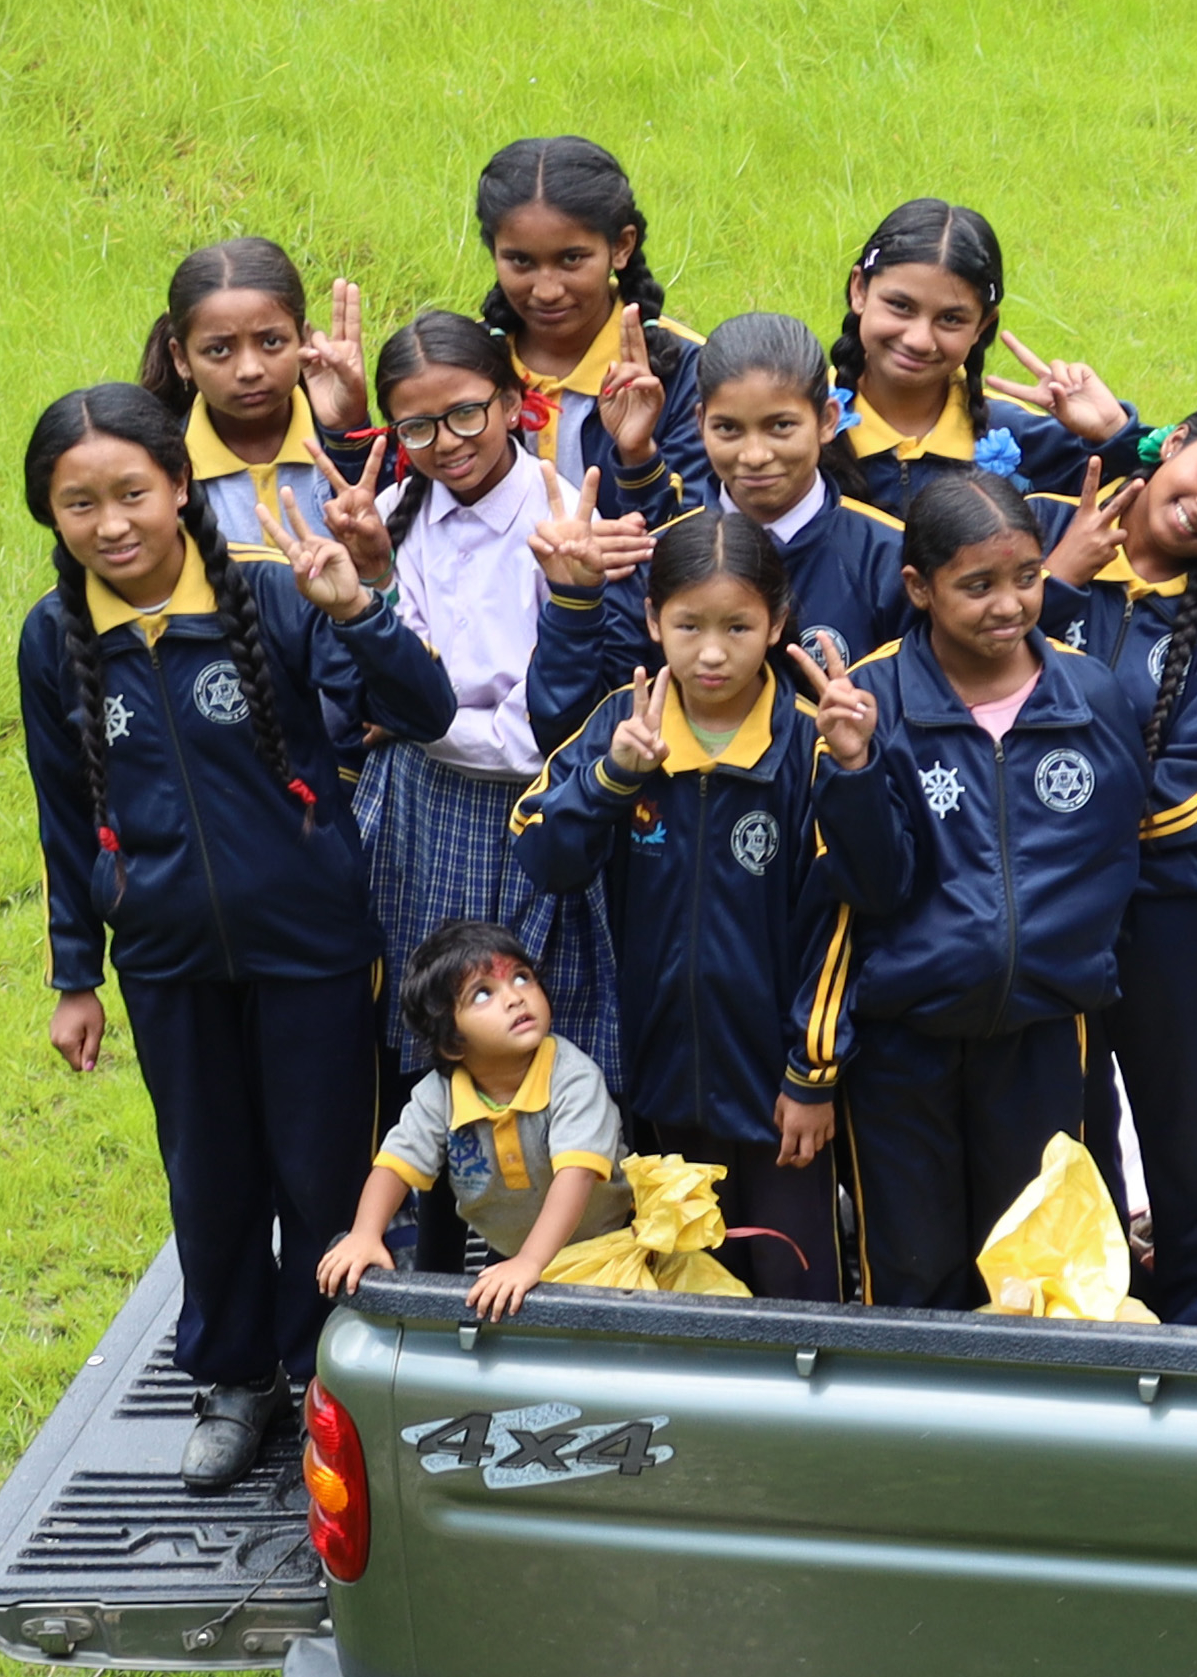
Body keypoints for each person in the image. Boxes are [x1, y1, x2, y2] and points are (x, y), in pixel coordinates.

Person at [17, 382, 456, 1489]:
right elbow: (64, 816)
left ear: (179, 484)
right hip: (165, 959)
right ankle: (234, 1378)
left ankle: (325, 1375)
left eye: (132, 492)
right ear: (51, 516)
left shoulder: (274, 593)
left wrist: (357, 607)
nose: (111, 523)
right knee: (207, 1175)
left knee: (319, 1168)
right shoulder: (52, 638)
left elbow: (423, 707)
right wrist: (78, 973)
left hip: (309, 943)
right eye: (80, 504)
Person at [513, 506, 912, 1301]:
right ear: (654, 621)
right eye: (689, 625)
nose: (713, 651)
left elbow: (859, 906)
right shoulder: (623, 730)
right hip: (660, 1082)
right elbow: (542, 854)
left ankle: (802, 1429)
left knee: (793, 1290)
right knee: (689, 1284)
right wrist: (612, 780)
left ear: (779, 621)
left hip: (779, 1094)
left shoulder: (808, 742)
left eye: (738, 625)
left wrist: (811, 1073)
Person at [804, 473, 1166, 1309]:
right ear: (918, 589)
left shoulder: (1091, 695)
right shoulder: (869, 699)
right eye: (977, 585)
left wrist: (1075, 964)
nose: (1009, 605)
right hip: (906, 1039)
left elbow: (1116, 854)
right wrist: (854, 768)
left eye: (1027, 577)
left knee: (1036, 1256)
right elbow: (870, 887)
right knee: (916, 1261)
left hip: (1043, 1031)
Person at [1039, 400, 1197, 1319]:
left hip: (1167, 907)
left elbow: (1193, 786)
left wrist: (1048, 829)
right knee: (1070, 1109)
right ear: (1172, 444)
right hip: (1046, 905)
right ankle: (1097, 1302)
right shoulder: (1047, 528)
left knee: (1185, 1117)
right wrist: (1059, 579)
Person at [341, 310, 607, 1074]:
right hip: (418, 812)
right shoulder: (393, 515)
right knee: (424, 1015)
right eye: (417, 428)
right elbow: (404, 671)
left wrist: (419, 725)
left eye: (465, 414)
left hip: (529, 813)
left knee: (530, 1022)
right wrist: (379, 585)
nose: (447, 443)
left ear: (510, 401)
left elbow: (535, 734)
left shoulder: (560, 518)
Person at [532, 314, 902, 708]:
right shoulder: (650, 558)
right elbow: (568, 723)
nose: (755, 455)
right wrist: (574, 602)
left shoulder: (889, 558)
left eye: (780, 426)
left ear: (828, 420)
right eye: (728, 429)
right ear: (700, 423)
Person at [318, 921, 621, 1323]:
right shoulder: (438, 1094)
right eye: (483, 994)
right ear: (450, 1043)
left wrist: (530, 1262)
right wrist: (365, 1233)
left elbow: (576, 1177)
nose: (515, 998)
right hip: (512, 1251)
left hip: (606, 1252)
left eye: (522, 977)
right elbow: (394, 1163)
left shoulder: (572, 1077)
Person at [470, 136, 700, 516]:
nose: (546, 291)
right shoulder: (463, 362)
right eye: (520, 262)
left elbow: (704, 543)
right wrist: (348, 425)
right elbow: (403, 511)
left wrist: (638, 455)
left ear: (621, 247)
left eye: (572, 259)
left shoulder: (686, 371)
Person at [827, 200, 1101, 505]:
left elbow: (1149, 497)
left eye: (950, 319)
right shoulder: (798, 418)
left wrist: (1113, 431)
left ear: (983, 325)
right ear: (859, 291)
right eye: (901, 306)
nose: (919, 340)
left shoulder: (1015, 435)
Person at [140, 237, 360, 558]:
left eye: (271, 342)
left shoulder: (339, 445)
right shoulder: (157, 470)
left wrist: (349, 433)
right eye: (219, 350)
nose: (249, 369)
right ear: (181, 359)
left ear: (302, 338)